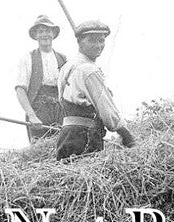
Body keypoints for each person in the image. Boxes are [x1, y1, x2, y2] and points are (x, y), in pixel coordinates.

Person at [55, 20, 136, 160]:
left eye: (101, 40)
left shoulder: (67, 67)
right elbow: (106, 109)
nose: (98, 45)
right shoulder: (90, 71)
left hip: (66, 135)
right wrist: (127, 136)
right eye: (92, 40)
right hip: (85, 136)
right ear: (80, 42)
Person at [14, 15, 68, 143]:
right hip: (39, 110)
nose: (45, 34)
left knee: (63, 147)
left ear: (53, 34)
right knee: (40, 151)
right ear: (36, 35)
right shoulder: (28, 58)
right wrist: (32, 116)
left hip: (60, 110)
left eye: (48, 31)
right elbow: (20, 90)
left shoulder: (63, 59)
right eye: (41, 31)